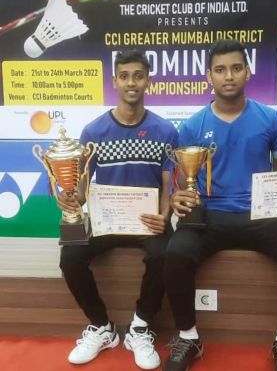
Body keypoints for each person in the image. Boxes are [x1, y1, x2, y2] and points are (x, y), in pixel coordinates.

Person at [162, 39, 277, 371]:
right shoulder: (192, 126)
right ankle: (188, 337)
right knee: (174, 252)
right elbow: (182, 181)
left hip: (261, 211)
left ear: (248, 72)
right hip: (210, 213)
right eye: (220, 70)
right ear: (209, 76)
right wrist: (177, 196)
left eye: (236, 68)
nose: (228, 76)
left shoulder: (269, 119)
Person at [57, 49, 178, 369]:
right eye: (124, 76)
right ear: (114, 81)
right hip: (106, 221)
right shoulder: (93, 132)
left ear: (148, 80)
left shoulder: (165, 131)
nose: (131, 83)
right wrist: (73, 200)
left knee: (166, 253)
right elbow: (81, 186)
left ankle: (140, 326)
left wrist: (165, 216)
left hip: (147, 220)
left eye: (138, 75)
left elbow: (169, 186)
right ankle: (101, 326)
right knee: (70, 253)